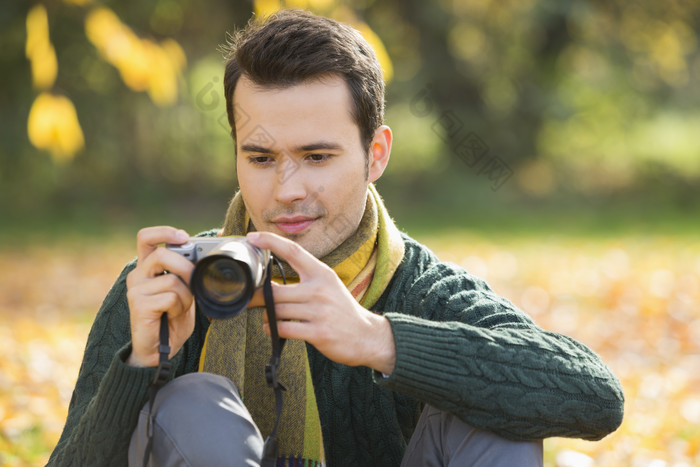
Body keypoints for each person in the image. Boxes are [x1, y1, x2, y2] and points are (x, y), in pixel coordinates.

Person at [48, 9, 624, 467]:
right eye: (261, 157)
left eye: (317, 156)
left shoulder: (420, 290)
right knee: (192, 404)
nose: (287, 189)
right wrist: (141, 365)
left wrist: (377, 339)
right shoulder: (171, 284)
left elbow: (597, 396)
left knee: (489, 399)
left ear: (376, 155)